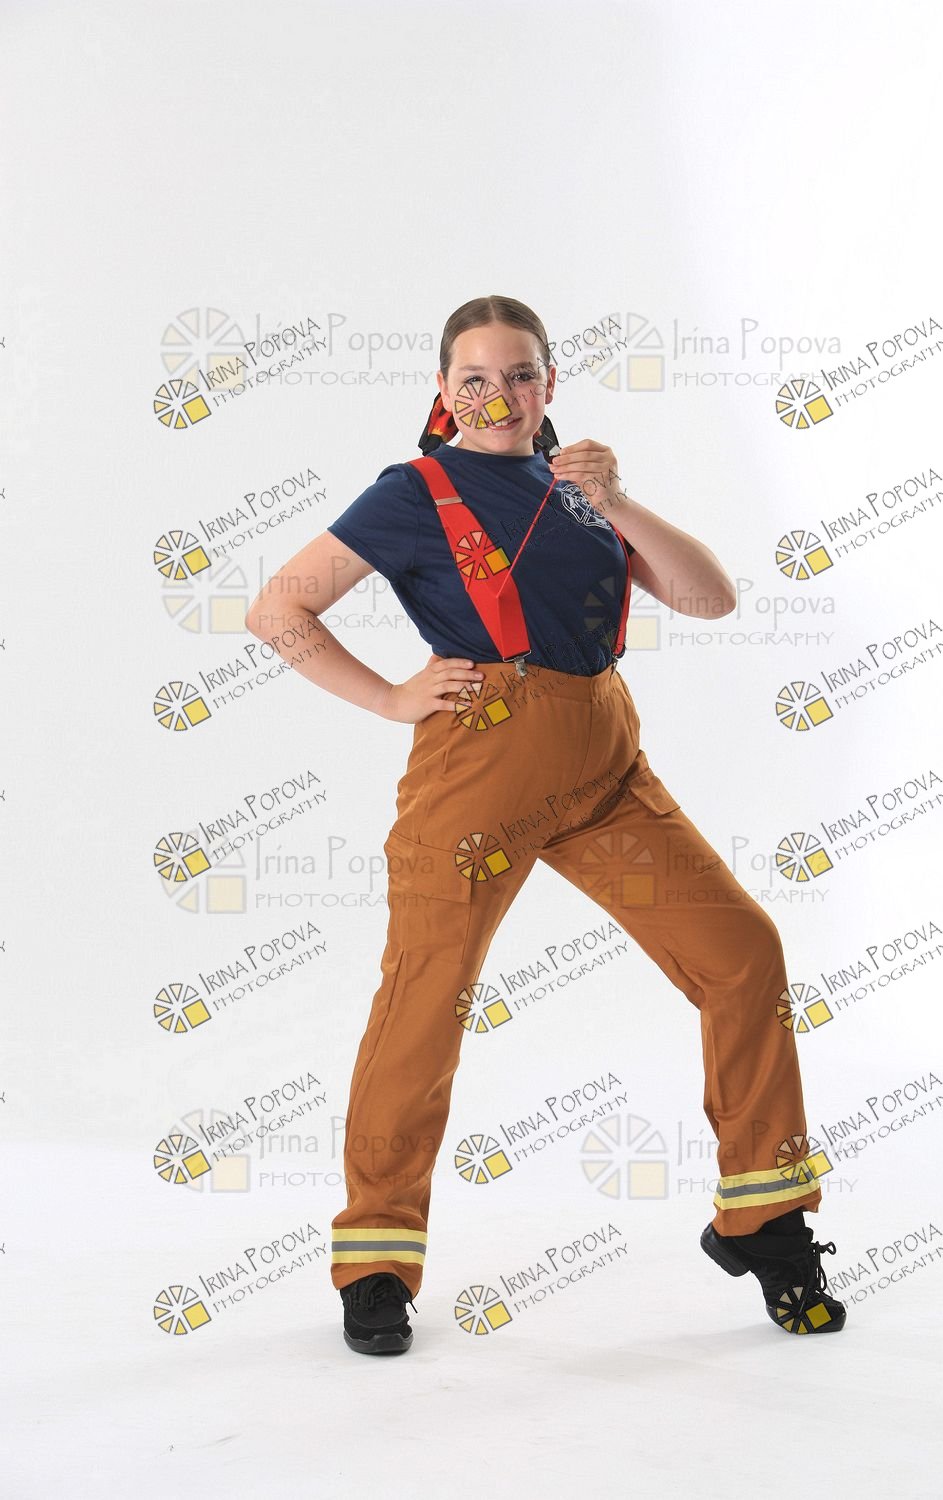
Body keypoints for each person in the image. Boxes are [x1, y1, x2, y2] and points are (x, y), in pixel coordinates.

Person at [245, 295, 846, 1355]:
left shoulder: (579, 488)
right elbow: (278, 610)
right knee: (425, 1000)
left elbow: (710, 599)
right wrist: (389, 697)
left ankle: (763, 1219)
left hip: (605, 767)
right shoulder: (411, 493)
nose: (499, 396)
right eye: (474, 379)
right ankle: (376, 1257)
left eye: (520, 374)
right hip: (478, 769)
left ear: (549, 382)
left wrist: (618, 500)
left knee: (742, 954)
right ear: (444, 392)